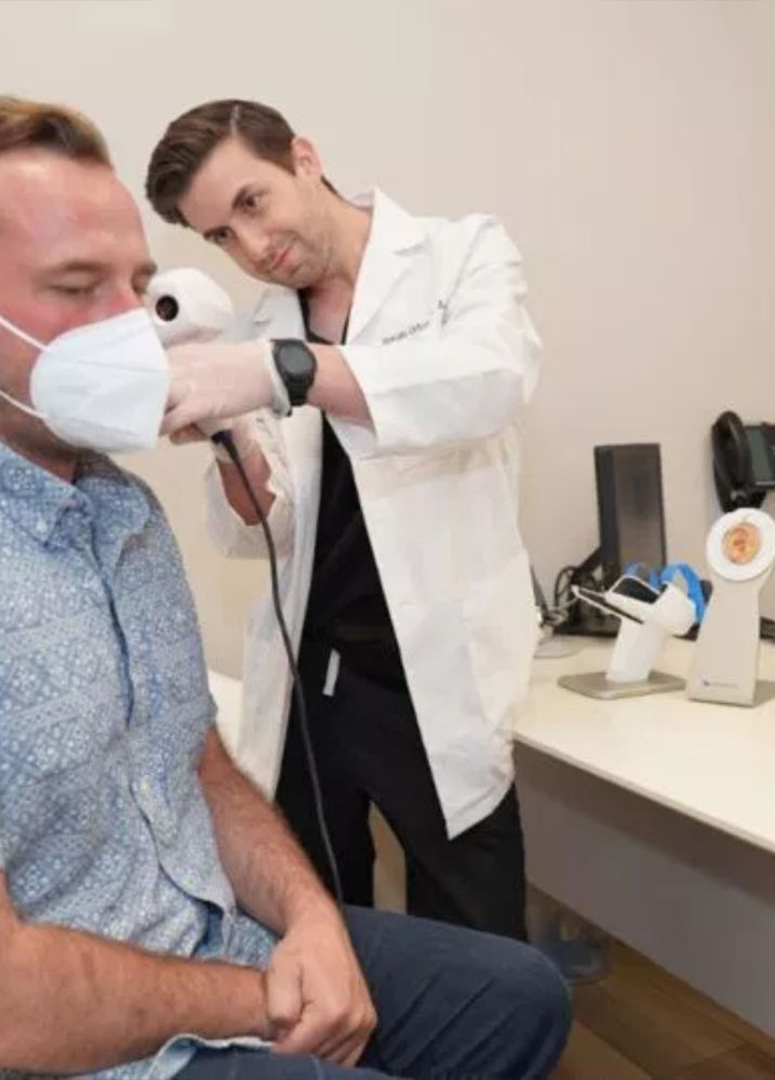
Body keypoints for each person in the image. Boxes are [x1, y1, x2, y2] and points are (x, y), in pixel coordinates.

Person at [0, 96, 569, 1080]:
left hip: (263, 838)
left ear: (304, 157)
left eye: (134, 287)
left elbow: (488, 377)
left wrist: (311, 929)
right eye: (76, 285)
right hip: (21, 1021)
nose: (124, 326)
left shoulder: (120, 511)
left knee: (517, 988)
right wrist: (246, 458)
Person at [146, 100, 541, 940]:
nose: (252, 249)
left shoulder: (458, 253)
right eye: (219, 236)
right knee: (323, 928)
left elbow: (490, 380)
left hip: (434, 673)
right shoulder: (261, 325)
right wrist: (229, 441)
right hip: (313, 678)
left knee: (478, 935)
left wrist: (281, 371)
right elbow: (266, 527)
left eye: (252, 204)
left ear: (304, 156)